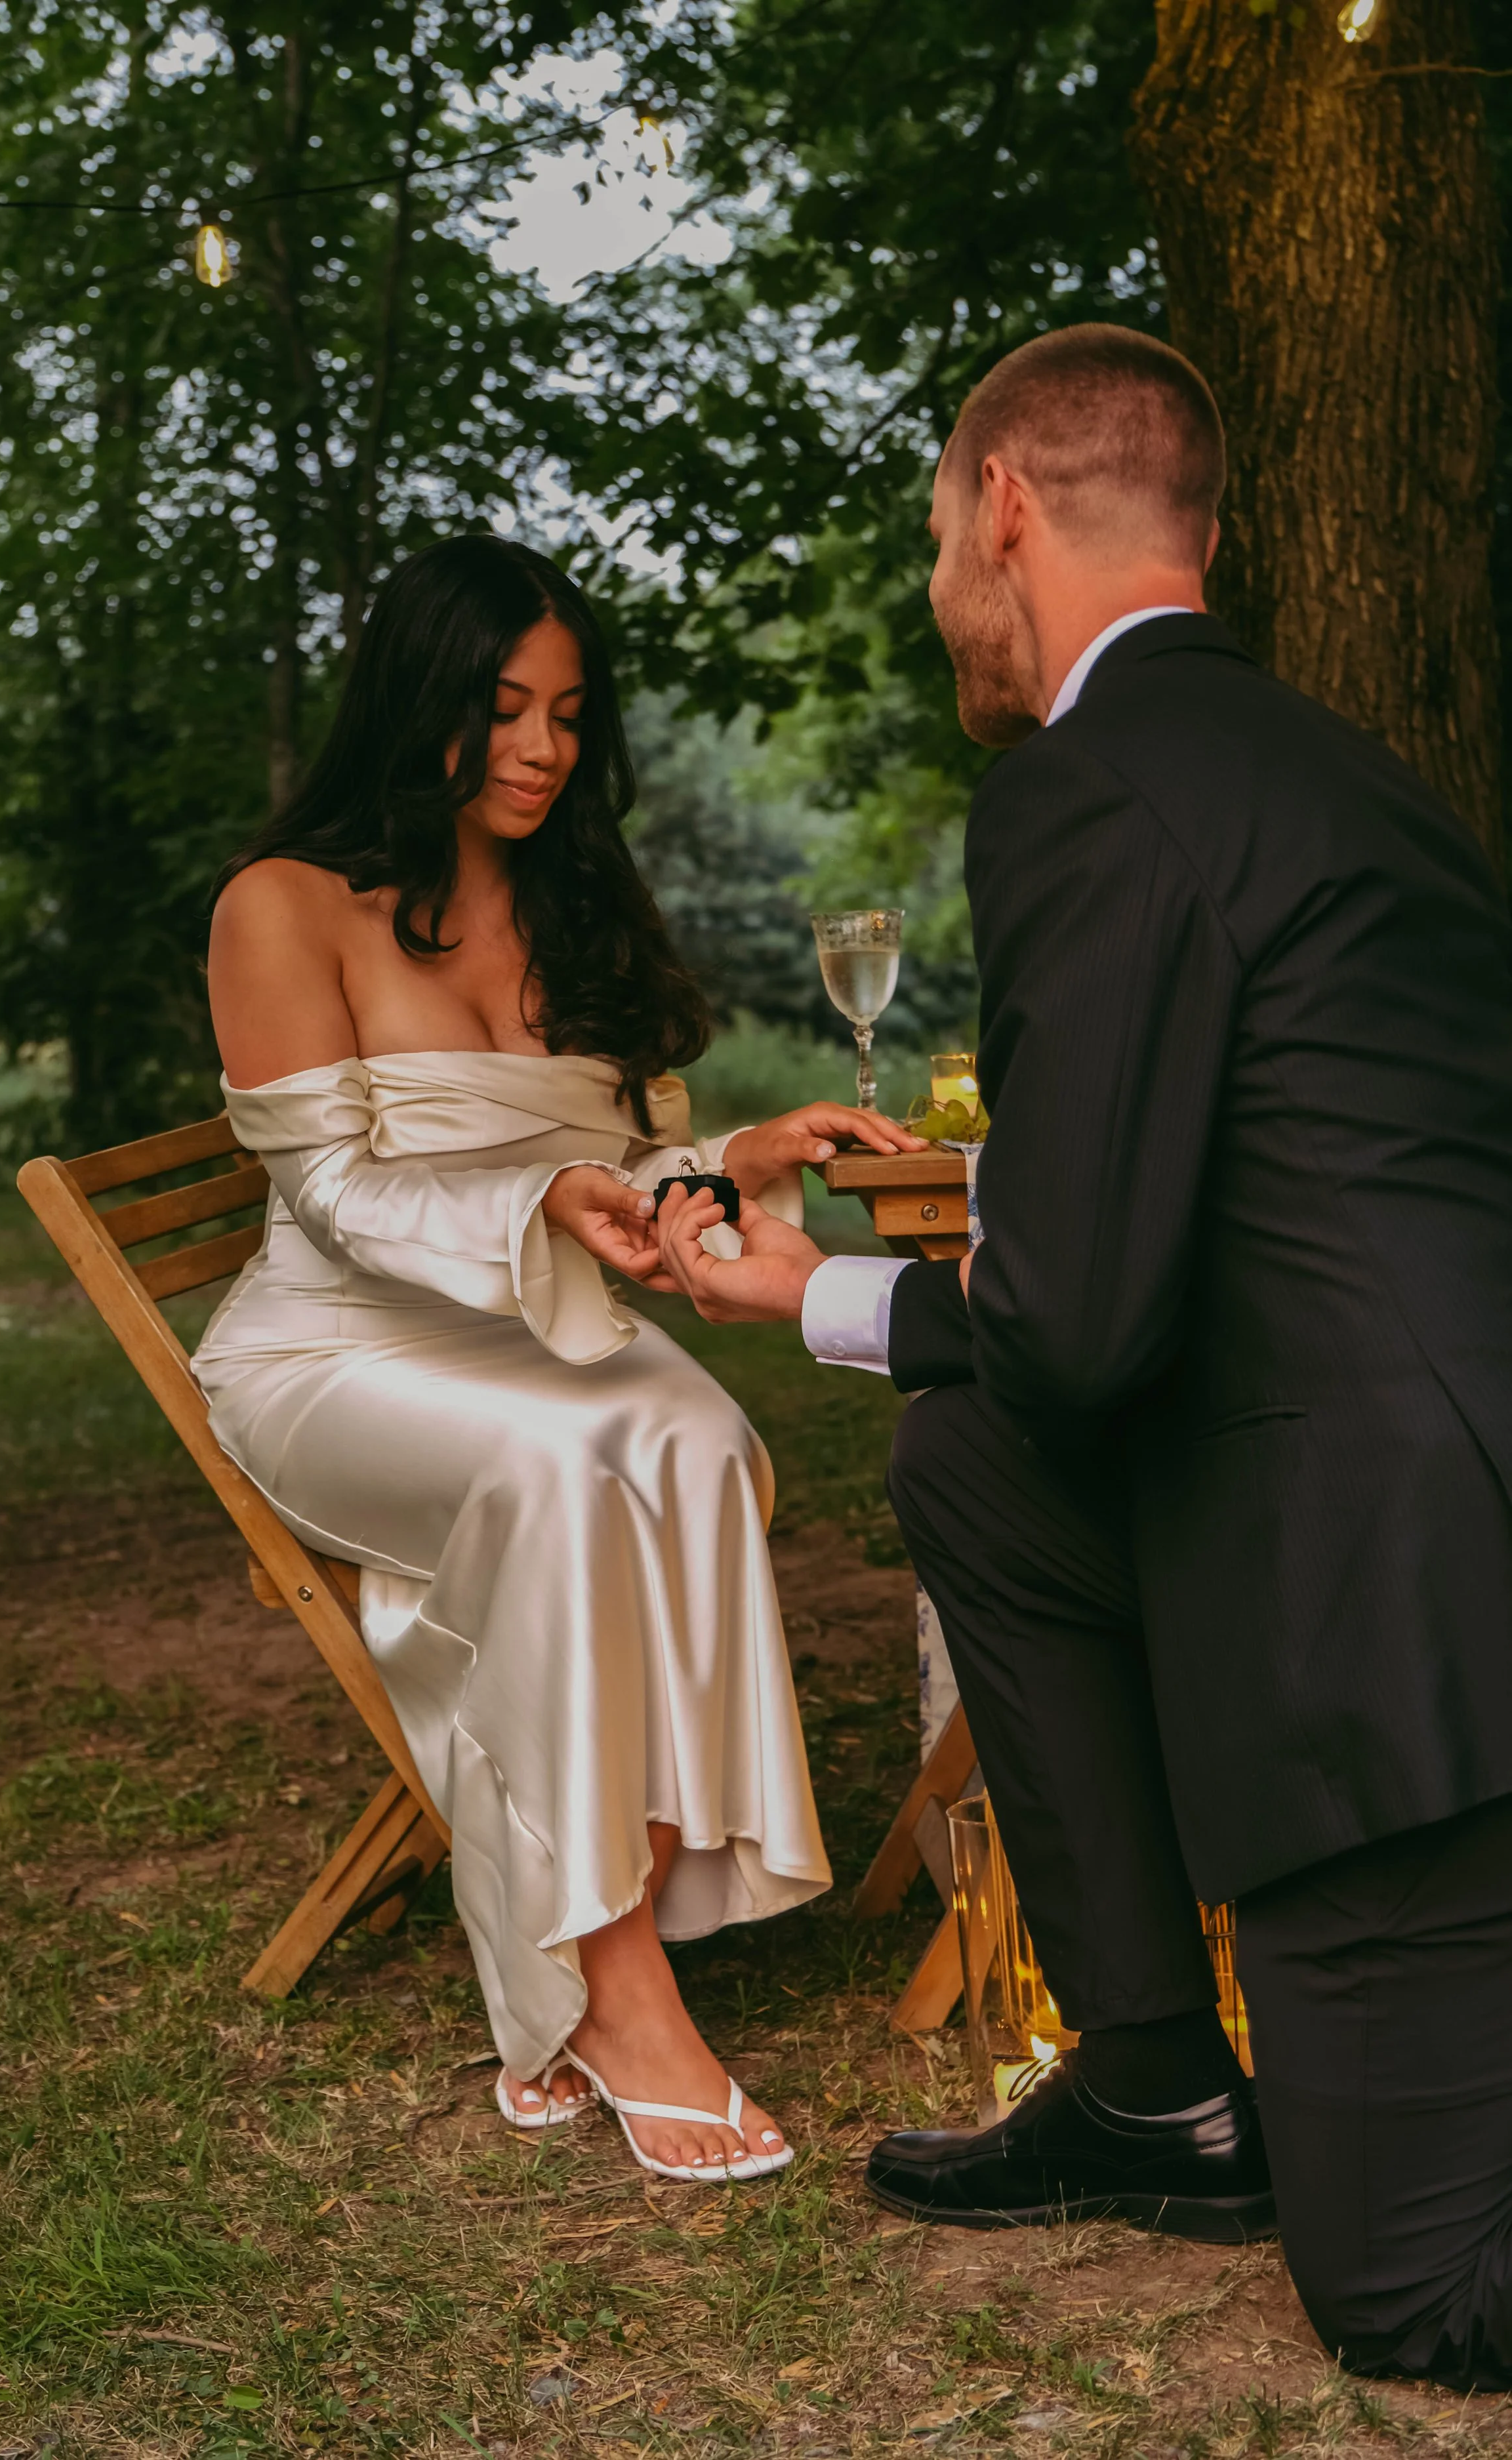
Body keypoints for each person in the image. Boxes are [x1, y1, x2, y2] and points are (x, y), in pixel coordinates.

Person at [657, 324, 1512, 2385]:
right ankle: (1150, 2083)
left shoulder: (1081, 784)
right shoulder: (1338, 769)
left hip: (1405, 1618)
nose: (943, 583)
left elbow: (1078, 1316)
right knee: (976, 1471)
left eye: (940, 535)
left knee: (1405, 2289)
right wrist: (823, 1304)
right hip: (1418, 1476)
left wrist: (800, 1295)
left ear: (1003, 507)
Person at [198, 534, 922, 2183]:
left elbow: (624, 1177)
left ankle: (623, 1873)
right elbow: (335, 1194)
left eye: (568, 715)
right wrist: (551, 1194)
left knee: (690, 1435)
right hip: (334, 1348)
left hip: (537, 1320)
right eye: (502, 708)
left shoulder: (565, 901)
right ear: (418, 701)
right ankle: (610, 1985)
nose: (540, 750)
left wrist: (733, 1161)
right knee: (562, 1464)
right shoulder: (283, 908)